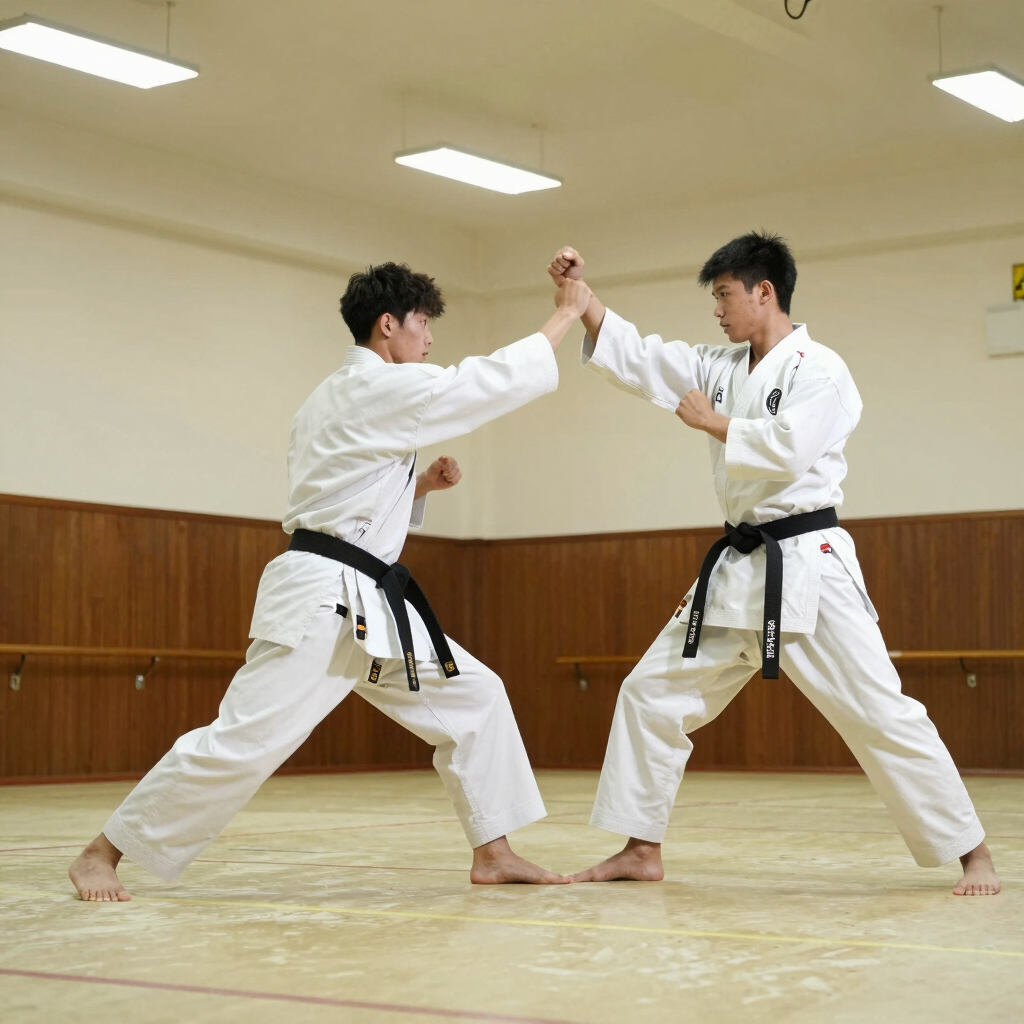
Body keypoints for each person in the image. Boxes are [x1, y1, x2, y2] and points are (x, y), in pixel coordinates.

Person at [70, 262, 592, 901]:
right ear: (387, 325)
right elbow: (476, 386)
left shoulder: (335, 396)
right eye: (423, 324)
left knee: (475, 697)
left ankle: (494, 851)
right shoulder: (374, 389)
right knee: (245, 740)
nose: (429, 339)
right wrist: (566, 313)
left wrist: (417, 484)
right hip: (322, 599)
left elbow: (340, 488)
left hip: (366, 599)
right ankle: (102, 853)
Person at [548, 233, 1000, 896]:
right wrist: (583, 304)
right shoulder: (719, 364)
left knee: (880, 713)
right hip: (738, 568)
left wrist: (716, 425)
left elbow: (789, 450)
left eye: (726, 295)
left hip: (809, 566)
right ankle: (640, 847)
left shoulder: (821, 369)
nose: (718, 310)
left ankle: (974, 853)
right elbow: (646, 362)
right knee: (651, 692)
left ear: (765, 291)